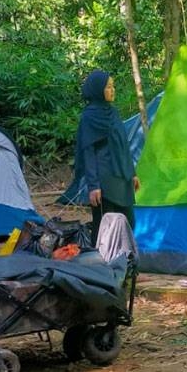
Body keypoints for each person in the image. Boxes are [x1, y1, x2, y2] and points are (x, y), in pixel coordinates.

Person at [72, 70, 139, 244]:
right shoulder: (89, 117)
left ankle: (124, 262)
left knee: (129, 221)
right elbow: (88, 152)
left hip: (121, 177)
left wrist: (132, 173)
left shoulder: (113, 113)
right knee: (104, 224)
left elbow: (123, 145)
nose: (112, 90)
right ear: (97, 90)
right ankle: (100, 264)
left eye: (112, 86)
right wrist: (93, 185)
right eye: (108, 87)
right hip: (104, 180)